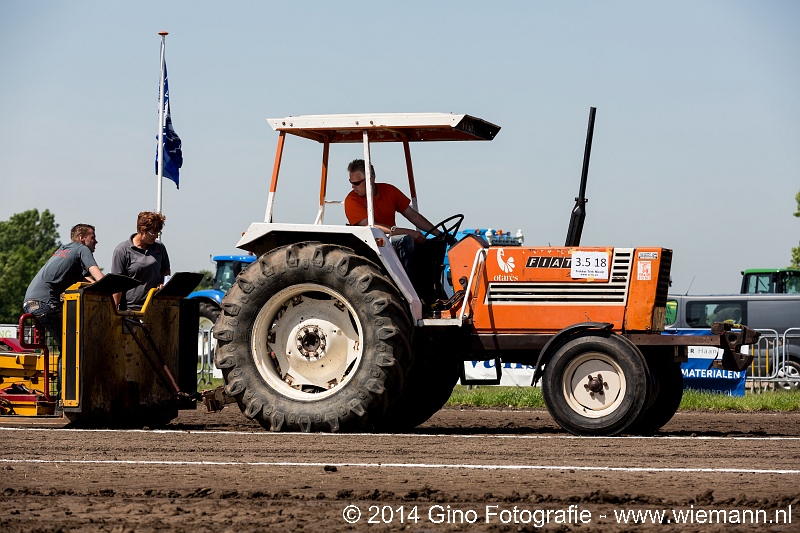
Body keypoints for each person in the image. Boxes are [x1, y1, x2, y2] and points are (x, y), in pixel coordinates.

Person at [344, 159, 450, 271]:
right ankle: (407, 283)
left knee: (432, 244)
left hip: (389, 239)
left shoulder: (389, 191)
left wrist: (439, 234)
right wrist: (410, 232)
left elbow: (413, 216)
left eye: (356, 183)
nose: (353, 187)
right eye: (351, 182)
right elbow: (370, 226)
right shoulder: (352, 200)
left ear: (370, 180)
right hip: (372, 242)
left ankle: (428, 283)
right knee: (405, 239)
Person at [23, 224, 104, 345]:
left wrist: (93, 284)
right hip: (45, 303)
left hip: (30, 302)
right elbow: (100, 278)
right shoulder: (82, 249)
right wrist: (110, 289)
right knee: (72, 346)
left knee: (67, 343)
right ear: (81, 237)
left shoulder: (64, 249)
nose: (96, 241)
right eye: (92, 237)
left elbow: (83, 279)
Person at [111, 211, 171, 311]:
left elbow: (166, 270)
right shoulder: (122, 250)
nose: (156, 236)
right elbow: (117, 284)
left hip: (155, 307)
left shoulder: (159, 247)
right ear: (142, 230)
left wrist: (162, 283)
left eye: (158, 232)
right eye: (153, 233)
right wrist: (113, 313)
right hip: (131, 309)